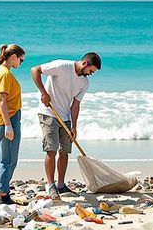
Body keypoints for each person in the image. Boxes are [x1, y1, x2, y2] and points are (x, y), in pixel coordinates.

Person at [30, 52, 101, 198]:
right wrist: (43, 93)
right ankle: (51, 185)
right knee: (51, 150)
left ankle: (61, 185)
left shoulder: (84, 83)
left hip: (65, 118)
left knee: (64, 151)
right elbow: (34, 70)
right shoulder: (62, 66)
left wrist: (74, 126)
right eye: (91, 71)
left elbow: (75, 105)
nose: (91, 74)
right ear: (85, 64)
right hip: (48, 112)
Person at [0, 44, 26, 204]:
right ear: (13, 57)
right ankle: (3, 195)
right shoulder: (5, 74)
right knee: (9, 160)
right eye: (21, 60)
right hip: (7, 119)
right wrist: (9, 125)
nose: (21, 63)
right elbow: (2, 100)